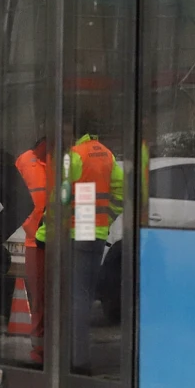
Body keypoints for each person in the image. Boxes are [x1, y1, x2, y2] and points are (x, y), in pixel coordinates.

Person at [63, 132, 123, 374]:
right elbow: (120, 194)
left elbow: (62, 195)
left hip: (77, 230)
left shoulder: (75, 156)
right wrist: (107, 219)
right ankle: (81, 355)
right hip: (97, 231)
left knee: (76, 297)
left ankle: (78, 360)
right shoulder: (107, 154)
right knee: (85, 298)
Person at [15, 136, 49, 364]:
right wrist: (29, 226)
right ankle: (38, 351)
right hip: (34, 242)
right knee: (38, 300)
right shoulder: (24, 162)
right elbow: (15, 198)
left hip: (60, 241)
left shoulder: (67, 161)